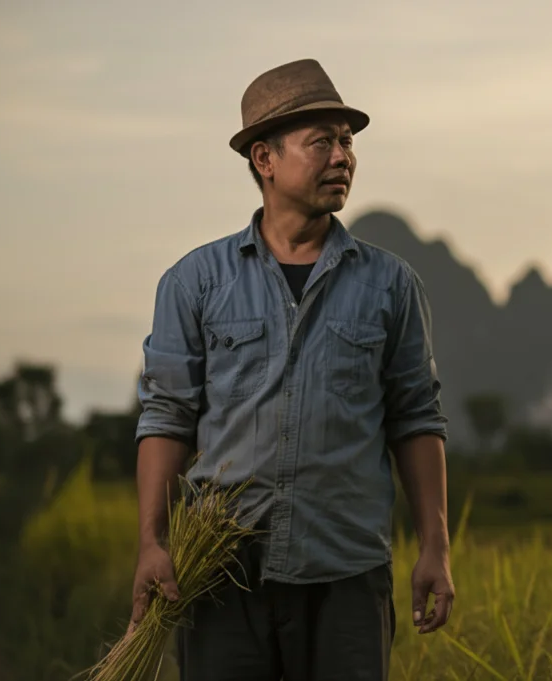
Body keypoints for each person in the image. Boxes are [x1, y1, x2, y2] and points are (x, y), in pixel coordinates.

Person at [128, 58, 454, 680]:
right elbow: (167, 418)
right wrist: (152, 542)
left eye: (348, 141)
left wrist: (434, 546)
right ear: (264, 159)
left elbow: (416, 419)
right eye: (322, 142)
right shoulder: (196, 282)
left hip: (347, 574)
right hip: (220, 574)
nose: (342, 157)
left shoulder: (391, 285)